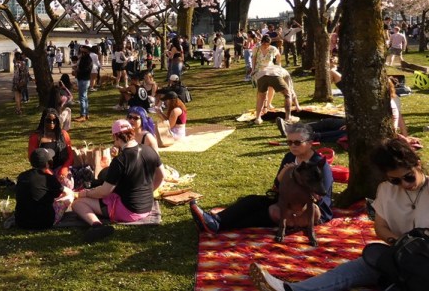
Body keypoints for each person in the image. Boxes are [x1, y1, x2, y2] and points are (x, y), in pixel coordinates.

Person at [250, 136, 427, 291]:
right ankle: (291, 289)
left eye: (408, 177)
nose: (404, 184)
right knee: (353, 269)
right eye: (395, 180)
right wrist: (397, 243)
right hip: (397, 255)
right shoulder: (386, 190)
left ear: (417, 165)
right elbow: (380, 226)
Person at [189, 123, 333, 235]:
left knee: (266, 212)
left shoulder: (319, 164)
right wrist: (282, 176)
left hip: (311, 210)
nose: (292, 146)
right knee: (251, 201)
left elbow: (318, 195)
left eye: (297, 143)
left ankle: (217, 225)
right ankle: (216, 220)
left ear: (309, 142)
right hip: (286, 200)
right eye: (289, 143)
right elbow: (277, 185)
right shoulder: (290, 158)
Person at [71, 119, 165, 242]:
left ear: (115, 136)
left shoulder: (120, 160)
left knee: (78, 204)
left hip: (129, 210)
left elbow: (104, 191)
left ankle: (96, 226)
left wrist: (85, 193)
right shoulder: (149, 151)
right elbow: (161, 175)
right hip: (147, 206)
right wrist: (149, 191)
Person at [14, 148, 75, 230]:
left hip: (21, 222)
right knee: (70, 196)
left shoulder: (22, 176)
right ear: (47, 164)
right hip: (44, 222)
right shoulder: (48, 178)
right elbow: (66, 192)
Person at [27, 108, 74, 188]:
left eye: (54, 121)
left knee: (68, 186)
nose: (52, 123)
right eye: (48, 120)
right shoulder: (36, 137)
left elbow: (70, 156)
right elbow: (33, 160)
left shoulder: (64, 134)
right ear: (43, 121)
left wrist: (64, 169)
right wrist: (50, 174)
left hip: (61, 169)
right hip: (43, 171)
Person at [74, 45, 92, 122]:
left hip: (84, 79)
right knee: (84, 97)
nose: (81, 52)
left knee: (82, 98)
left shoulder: (88, 59)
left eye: (83, 51)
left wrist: (77, 71)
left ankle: (83, 115)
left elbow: (86, 69)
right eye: (81, 51)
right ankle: (86, 114)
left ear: (87, 51)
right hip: (82, 79)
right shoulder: (83, 58)